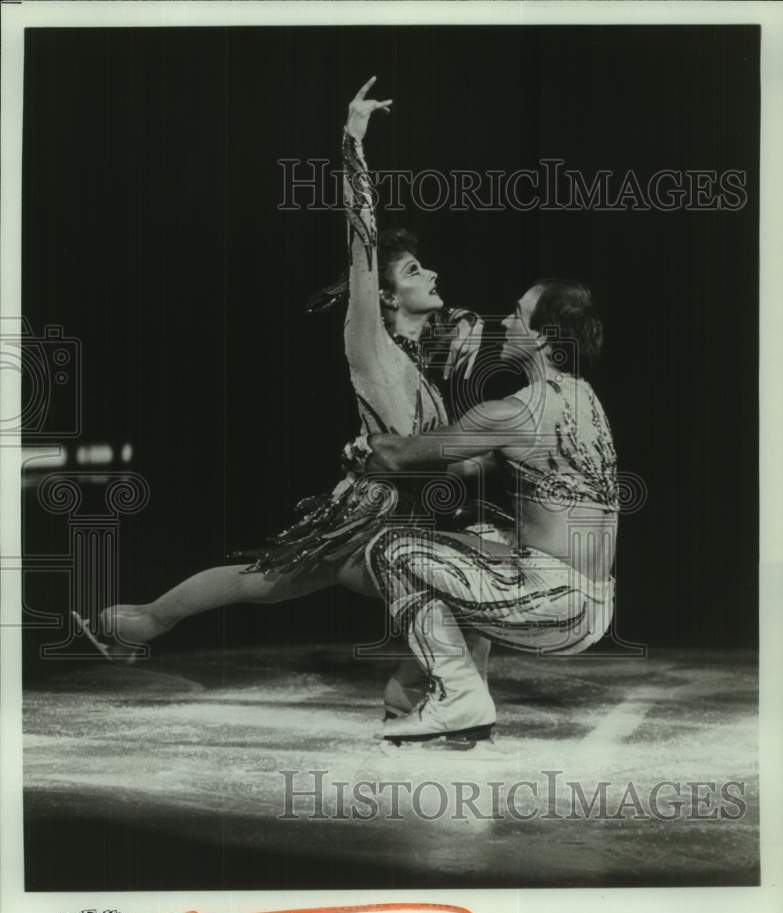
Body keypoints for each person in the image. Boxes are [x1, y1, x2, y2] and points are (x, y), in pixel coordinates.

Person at [75, 77, 488, 704]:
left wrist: (473, 336)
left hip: (388, 513)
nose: (430, 272)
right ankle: (420, 694)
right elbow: (361, 235)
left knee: (261, 582)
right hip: (370, 519)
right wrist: (353, 140)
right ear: (382, 294)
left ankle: (137, 622)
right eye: (413, 270)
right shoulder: (369, 339)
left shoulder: (420, 366)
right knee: (459, 581)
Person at [364, 279, 619, 743]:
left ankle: (459, 697)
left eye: (516, 315)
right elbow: (475, 464)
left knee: (390, 550)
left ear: (541, 336)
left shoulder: (514, 412)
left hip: (553, 604)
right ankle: (469, 696)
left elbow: (397, 455)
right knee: (480, 532)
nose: (503, 323)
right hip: (594, 607)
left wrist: (363, 444)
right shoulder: (585, 400)